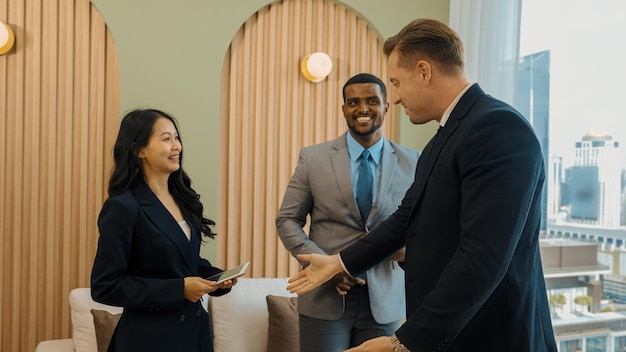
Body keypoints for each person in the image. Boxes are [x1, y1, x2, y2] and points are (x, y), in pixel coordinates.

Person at [287, 19, 557, 352]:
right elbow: (405, 218)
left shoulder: (498, 128)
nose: (395, 98)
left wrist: (403, 342)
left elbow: (482, 258)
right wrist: (339, 262)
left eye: (397, 82)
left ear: (424, 72)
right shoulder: (443, 139)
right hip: (456, 333)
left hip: (494, 334)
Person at [276, 73, 419, 351]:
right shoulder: (313, 158)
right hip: (324, 298)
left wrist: (402, 252)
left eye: (372, 101)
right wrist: (326, 266)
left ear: (386, 106)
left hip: (385, 301)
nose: (362, 109)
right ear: (344, 109)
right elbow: (287, 220)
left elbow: (424, 228)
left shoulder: (413, 161)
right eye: (353, 102)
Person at [91, 109, 235, 352]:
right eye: (166, 138)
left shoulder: (184, 201)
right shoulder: (123, 207)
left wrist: (216, 278)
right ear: (140, 150)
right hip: (149, 341)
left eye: (177, 138)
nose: (176, 146)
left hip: (194, 336)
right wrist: (179, 290)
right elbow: (106, 286)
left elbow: (183, 262)